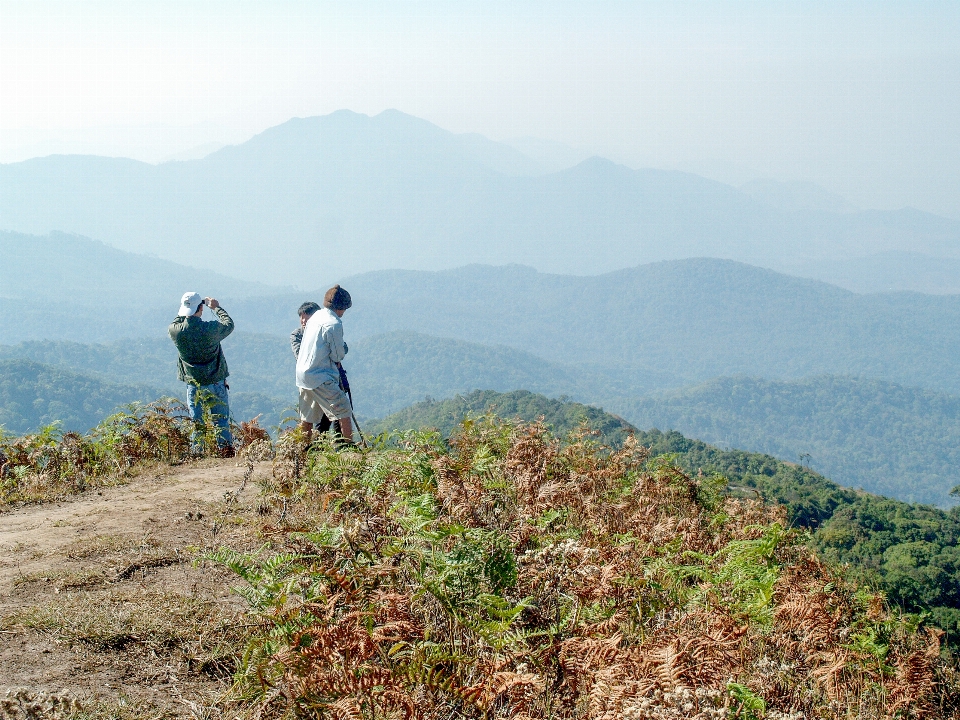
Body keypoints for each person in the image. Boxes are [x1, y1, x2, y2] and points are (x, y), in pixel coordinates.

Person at [168, 291, 235, 454]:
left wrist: (185, 310)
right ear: (201, 308)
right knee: (221, 421)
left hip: (193, 383)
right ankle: (225, 451)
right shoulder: (210, 329)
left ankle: (197, 453)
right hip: (216, 380)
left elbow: (177, 320)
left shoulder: (175, 331)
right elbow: (229, 324)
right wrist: (216, 307)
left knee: (197, 422)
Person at [295, 285, 354, 446]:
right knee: (343, 409)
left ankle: (303, 447)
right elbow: (337, 355)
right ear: (341, 308)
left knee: (307, 416)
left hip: (302, 373)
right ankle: (347, 447)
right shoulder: (334, 324)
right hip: (320, 374)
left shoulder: (316, 316)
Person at [291, 301, 341, 438]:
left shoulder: (325, 328)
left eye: (307, 317)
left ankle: (338, 441)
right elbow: (300, 355)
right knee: (308, 416)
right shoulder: (297, 335)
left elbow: (342, 347)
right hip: (310, 380)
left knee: (334, 411)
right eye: (301, 317)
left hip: (327, 377)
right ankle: (309, 444)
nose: (303, 320)